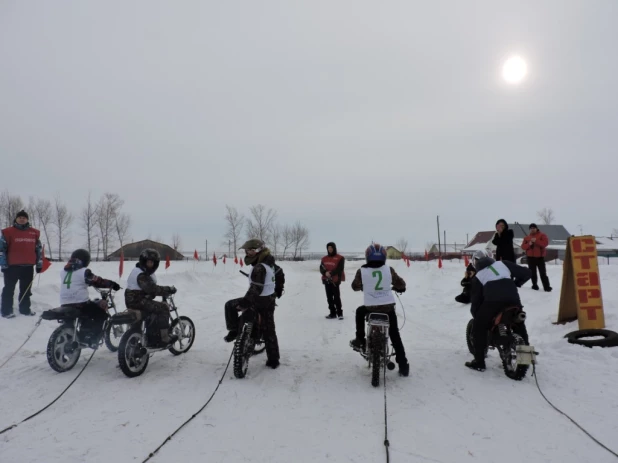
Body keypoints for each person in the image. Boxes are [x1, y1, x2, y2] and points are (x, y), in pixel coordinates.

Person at [465, 249, 531, 372]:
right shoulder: (503, 264)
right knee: (519, 325)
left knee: (479, 327)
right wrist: (516, 283)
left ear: (475, 263)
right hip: (513, 300)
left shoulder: (478, 276)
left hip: (492, 302)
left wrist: (477, 316)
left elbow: (476, 300)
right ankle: (526, 358)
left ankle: (479, 362)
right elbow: (527, 273)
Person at [349, 243, 409, 377]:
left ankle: (360, 340)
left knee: (359, 312)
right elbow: (401, 284)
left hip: (370, 307)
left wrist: (363, 286)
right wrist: (400, 288)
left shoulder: (362, 271)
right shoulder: (389, 270)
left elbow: (354, 286)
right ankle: (404, 366)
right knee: (395, 335)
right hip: (388, 308)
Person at [223, 239, 282, 369]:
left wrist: (244, 303)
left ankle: (234, 330)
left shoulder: (260, 267)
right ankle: (273, 359)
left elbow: (256, 289)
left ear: (258, 251)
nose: (248, 253)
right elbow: (276, 276)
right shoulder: (268, 262)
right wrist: (276, 291)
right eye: (247, 251)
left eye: (251, 250)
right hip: (268, 300)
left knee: (231, 305)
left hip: (260, 300)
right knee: (269, 329)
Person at [59, 249, 121, 347]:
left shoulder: (63, 271)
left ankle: (82, 333)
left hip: (64, 303)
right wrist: (112, 284)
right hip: (80, 304)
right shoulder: (84, 271)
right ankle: (92, 339)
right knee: (101, 314)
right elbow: (98, 281)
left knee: (90, 310)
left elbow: (75, 282)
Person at [124, 248, 178, 347]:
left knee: (152, 309)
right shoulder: (141, 275)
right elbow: (152, 289)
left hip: (133, 300)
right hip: (138, 301)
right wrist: (168, 289)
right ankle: (163, 339)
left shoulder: (137, 270)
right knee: (164, 308)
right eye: (148, 262)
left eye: (152, 262)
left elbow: (146, 289)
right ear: (143, 261)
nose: (150, 264)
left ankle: (137, 337)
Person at [0, 210, 43, 318]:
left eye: (24, 217)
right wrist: (4, 264)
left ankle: (25, 309)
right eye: (20, 217)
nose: (22, 219)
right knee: (9, 289)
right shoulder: (8, 232)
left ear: (27, 219)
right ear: (16, 219)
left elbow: (38, 250)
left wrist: (39, 264)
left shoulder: (34, 233)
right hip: (11, 267)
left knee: (26, 290)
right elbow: (1, 250)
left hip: (28, 267)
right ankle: (6, 311)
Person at [521, 223, 552, 292]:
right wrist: (529, 244)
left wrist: (536, 241)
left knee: (543, 273)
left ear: (536, 228)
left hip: (540, 258)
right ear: (529, 229)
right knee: (532, 273)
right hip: (530, 258)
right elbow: (523, 246)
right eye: (531, 228)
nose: (532, 229)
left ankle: (547, 287)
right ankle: (534, 285)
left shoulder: (542, 235)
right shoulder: (526, 238)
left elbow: (545, 243)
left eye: (534, 228)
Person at [319, 241, 345, 319]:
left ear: (334, 248)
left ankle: (339, 313)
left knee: (336, 297)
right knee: (329, 297)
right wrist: (325, 273)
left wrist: (331, 273)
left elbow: (340, 268)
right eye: (328, 248)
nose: (330, 249)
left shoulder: (340, 258)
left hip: (335, 280)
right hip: (326, 280)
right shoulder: (324, 258)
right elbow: (321, 268)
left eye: (331, 248)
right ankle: (332, 313)